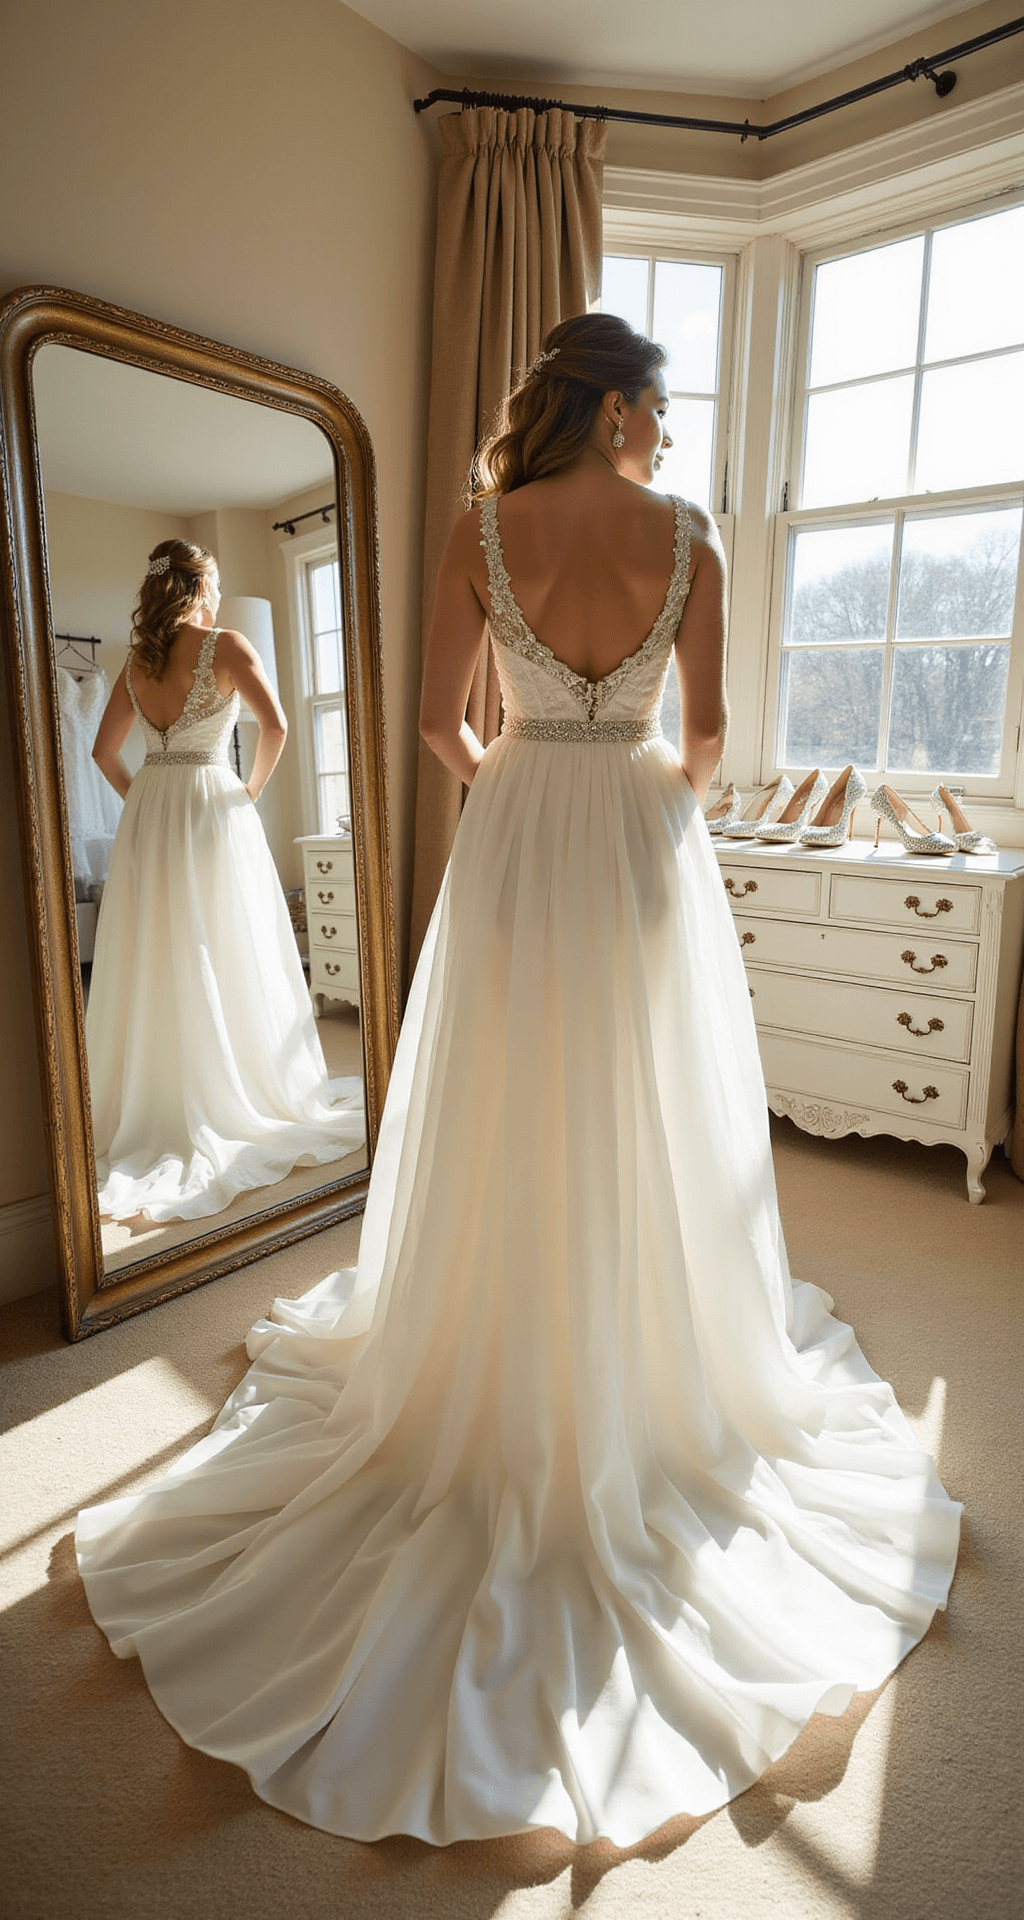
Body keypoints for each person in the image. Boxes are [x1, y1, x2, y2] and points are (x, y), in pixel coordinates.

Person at [76, 320, 960, 1846]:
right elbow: (710, 745)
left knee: (506, 1105)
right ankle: (637, 1344)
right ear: (616, 408)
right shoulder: (690, 541)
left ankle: (503, 1336)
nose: (671, 439)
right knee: (646, 1107)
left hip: (515, 844)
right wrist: (631, 814)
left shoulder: (480, 530)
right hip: (641, 848)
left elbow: (436, 729)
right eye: (662, 412)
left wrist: (525, 782)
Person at [85, 539, 364, 1223]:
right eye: (216, 578)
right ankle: (232, 1079)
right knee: (225, 938)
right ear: (201, 585)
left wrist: (143, 800)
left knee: (162, 943)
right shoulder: (226, 645)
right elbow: (277, 724)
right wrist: (250, 792)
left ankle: (160, 1088)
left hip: (153, 806)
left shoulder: (138, 660)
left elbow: (102, 752)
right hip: (213, 801)